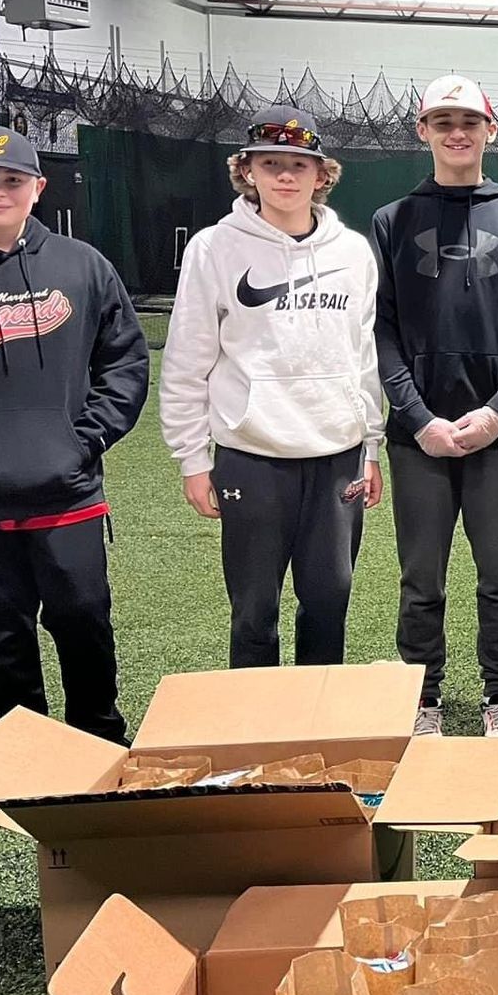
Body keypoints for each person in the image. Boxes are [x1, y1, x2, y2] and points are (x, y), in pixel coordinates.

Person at [160, 106, 384, 667]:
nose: (285, 176)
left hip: (338, 455)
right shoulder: (213, 248)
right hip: (251, 456)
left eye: (298, 165)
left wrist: (372, 445)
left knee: (329, 602)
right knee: (254, 612)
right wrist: (192, 458)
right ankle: (256, 737)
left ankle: (318, 735)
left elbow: (363, 357)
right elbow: (188, 359)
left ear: (321, 175)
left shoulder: (352, 251)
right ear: (248, 171)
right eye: (271, 163)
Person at [0, 123, 147, 741]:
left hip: (67, 496)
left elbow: (123, 361)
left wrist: (84, 438)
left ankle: (102, 746)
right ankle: (22, 756)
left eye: (11, 179)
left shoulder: (81, 264)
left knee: (86, 627)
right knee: (1, 640)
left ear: (37, 187)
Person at [372, 76, 498, 747]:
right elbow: (380, 330)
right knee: (421, 578)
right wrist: (417, 418)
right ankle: (424, 696)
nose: (456, 132)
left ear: (490, 131)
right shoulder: (392, 220)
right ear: (423, 131)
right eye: (442, 121)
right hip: (419, 436)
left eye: (469, 120)